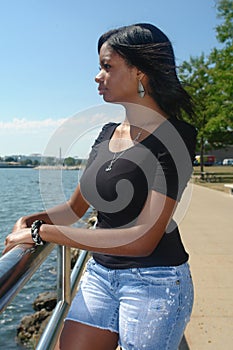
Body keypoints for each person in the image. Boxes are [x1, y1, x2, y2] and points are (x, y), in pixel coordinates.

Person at [4, 23, 197, 350]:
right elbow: (74, 209)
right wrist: (30, 221)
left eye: (107, 66)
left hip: (154, 283)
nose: (97, 76)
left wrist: (41, 235)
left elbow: (143, 241)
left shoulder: (176, 137)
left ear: (140, 73)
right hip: (101, 275)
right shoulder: (107, 132)